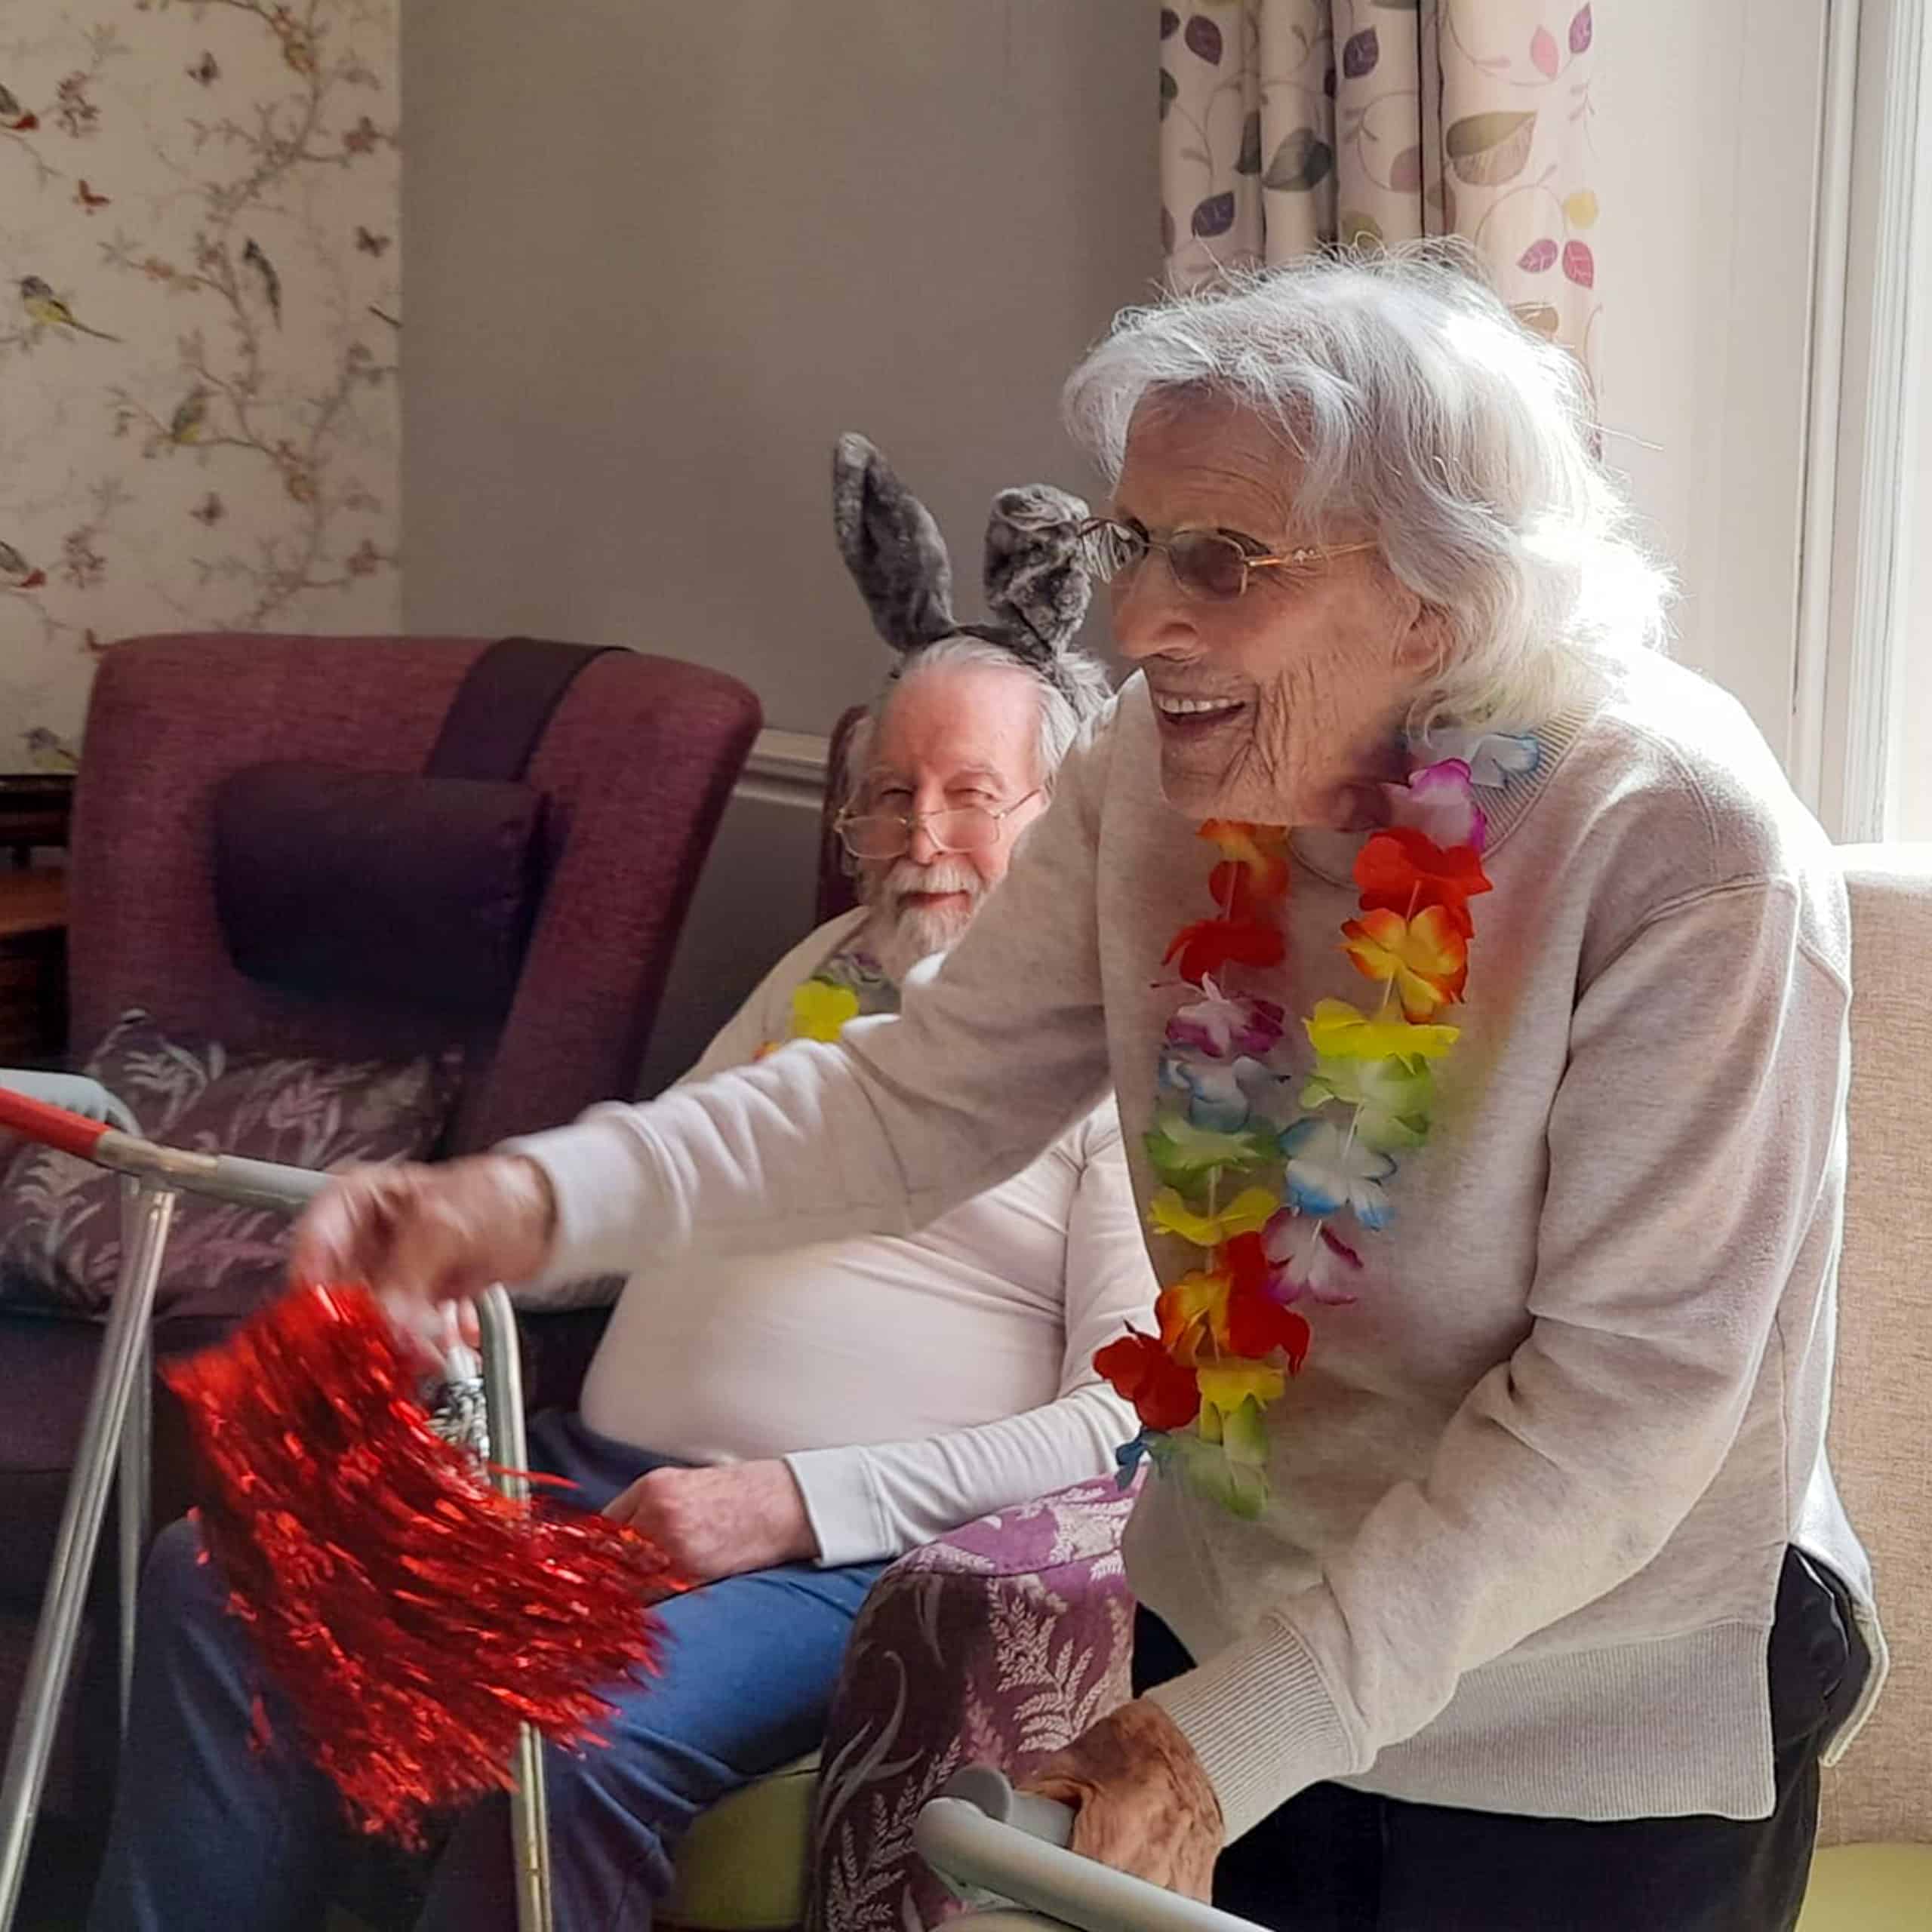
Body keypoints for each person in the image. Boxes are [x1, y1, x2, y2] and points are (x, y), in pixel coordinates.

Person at [281, 253, 1882, 1932]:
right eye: (1133, 544)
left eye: (1220, 561)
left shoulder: (1681, 850)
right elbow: (911, 1096)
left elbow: (1624, 1406)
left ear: (1434, 593)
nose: (1133, 621)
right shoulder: (1155, 767)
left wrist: (1227, 1739)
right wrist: (513, 1204)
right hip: (1243, 1609)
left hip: (1577, 1712)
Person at [87, 481, 1154, 1932]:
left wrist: (786, 1504)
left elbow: (1119, 1418)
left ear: (1066, 813)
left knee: (565, 1733)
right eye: (891, 793)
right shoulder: (831, 963)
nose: (921, 834)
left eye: (973, 794)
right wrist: (472, 1261)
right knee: (220, 1584)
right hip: (593, 1476)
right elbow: (675, 1178)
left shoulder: (1122, 1045)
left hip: (837, 1560)